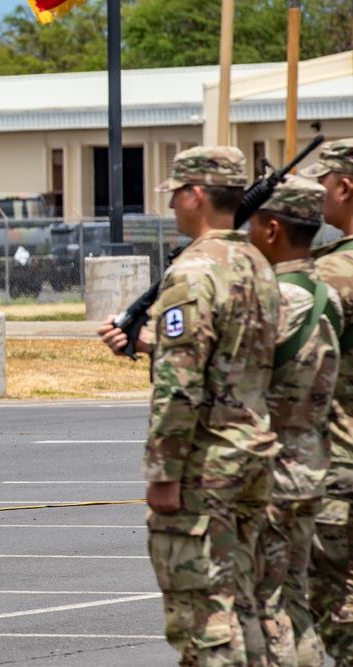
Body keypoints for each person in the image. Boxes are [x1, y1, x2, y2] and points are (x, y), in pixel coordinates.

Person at [97, 146, 280, 664]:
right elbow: (238, 351)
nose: (172, 206)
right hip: (254, 452)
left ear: (196, 194)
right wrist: (149, 342)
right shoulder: (256, 264)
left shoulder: (192, 271)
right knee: (249, 607)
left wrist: (163, 472)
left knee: (203, 620)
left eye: (176, 194)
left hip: (207, 465)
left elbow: (180, 386)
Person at [246, 176, 340, 666]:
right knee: (295, 601)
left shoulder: (276, 300)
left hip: (274, 474)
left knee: (268, 605)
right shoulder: (324, 293)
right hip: (312, 463)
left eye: (253, 225)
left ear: (272, 230)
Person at [300, 139, 353, 665]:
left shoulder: (334, 274)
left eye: (323, 183)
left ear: (345, 187)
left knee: (336, 604)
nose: (319, 195)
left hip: (341, 458)